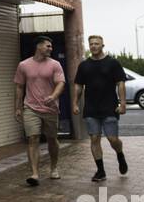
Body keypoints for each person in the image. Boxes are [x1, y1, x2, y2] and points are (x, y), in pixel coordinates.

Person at [72, 34, 128, 182]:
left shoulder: (113, 63)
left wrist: (122, 103)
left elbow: (120, 83)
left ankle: (120, 154)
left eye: (97, 44)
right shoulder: (84, 65)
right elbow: (78, 86)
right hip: (91, 108)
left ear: (102, 45)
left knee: (112, 139)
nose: (94, 46)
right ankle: (100, 171)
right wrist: (75, 103)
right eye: (91, 44)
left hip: (109, 107)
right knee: (94, 138)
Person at [13, 36, 66, 185]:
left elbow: (61, 83)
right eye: (48, 46)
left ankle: (54, 168)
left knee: (51, 139)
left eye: (51, 46)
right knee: (33, 138)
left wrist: (53, 96)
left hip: (50, 108)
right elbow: (19, 87)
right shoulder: (23, 65)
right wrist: (17, 107)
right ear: (38, 46)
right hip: (30, 107)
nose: (51, 49)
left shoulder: (55, 64)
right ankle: (35, 173)